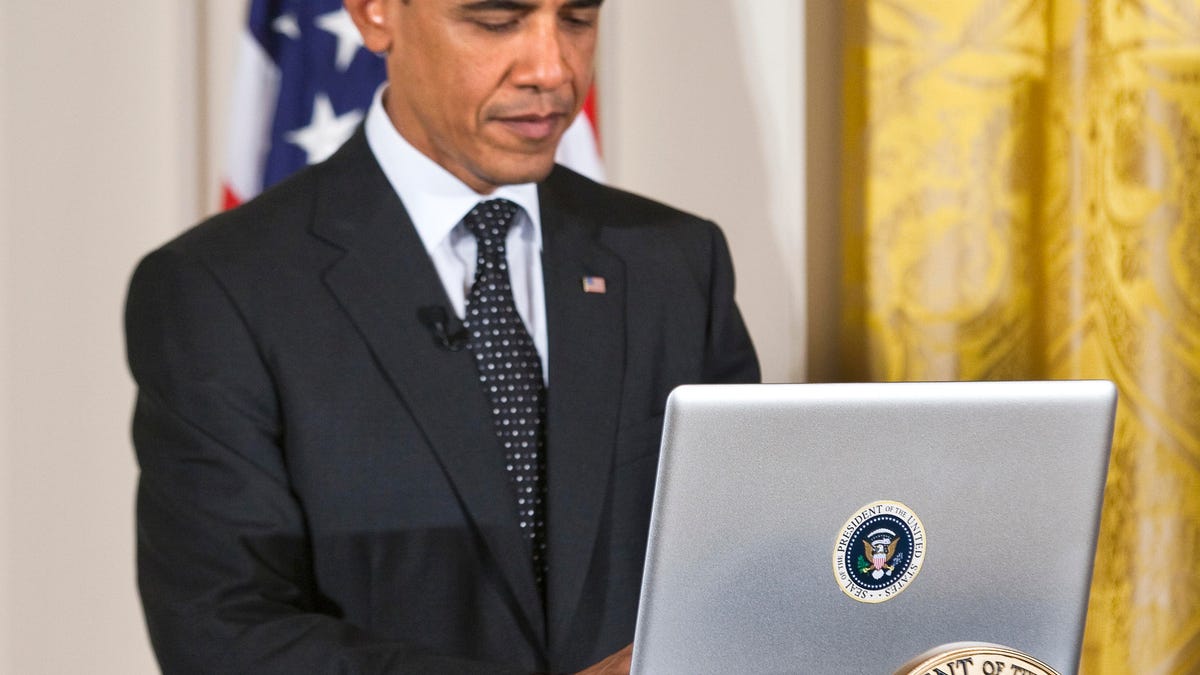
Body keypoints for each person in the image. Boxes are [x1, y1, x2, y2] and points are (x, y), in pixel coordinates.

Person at [124, 0, 759, 672]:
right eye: (496, 22)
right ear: (374, 16)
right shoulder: (220, 289)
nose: (554, 68)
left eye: (576, 19)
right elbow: (224, 633)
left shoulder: (676, 261)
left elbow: (746, 557)